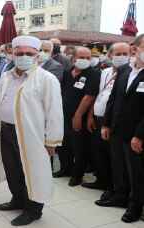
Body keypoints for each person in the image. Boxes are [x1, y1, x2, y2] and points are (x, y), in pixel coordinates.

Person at [0, 36, 63, 226]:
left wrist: (52, 140)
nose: (24, 56)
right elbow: (1, 102)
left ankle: (33, 210)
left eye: (29, 54)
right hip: (6, 130)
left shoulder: (46, 79)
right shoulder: (6, 76)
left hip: (32, 135)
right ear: (13, 54)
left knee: (32, 171)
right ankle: (17, 199)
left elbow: (54, 111)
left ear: (37, 55)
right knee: (12, 168)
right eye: (20, 53)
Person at [102, 34, 144, 223]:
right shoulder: (125, 71)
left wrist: (139, 135)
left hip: (136, 135)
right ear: (135, 48)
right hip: (117, 130)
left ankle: (135, 208)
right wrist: (106, 123)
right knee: (118, 166)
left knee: (137, 173)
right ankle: (120, 197)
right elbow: (113, 99)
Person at [86, 43, 131, 201]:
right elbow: (99, 94)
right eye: (117, 54)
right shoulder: (105, 72)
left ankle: (116, 189)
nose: (121, 57)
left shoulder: (130, 72)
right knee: (100, 154)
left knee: (115, 158)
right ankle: (104, 183)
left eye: (125, 53)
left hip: (114, 121)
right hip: (99, 117)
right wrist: (91, 115)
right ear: (110, 55)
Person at [57, 47, 101, 187]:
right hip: (63, 114)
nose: (85, 60)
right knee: (64, 144)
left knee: (79, 146)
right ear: (73, 58)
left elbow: (90, 96)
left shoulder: (93, 74)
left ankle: (77, 175)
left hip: (79, 116)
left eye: (88, 58)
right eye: (82, 57)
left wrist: (78, 115)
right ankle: (65, 169)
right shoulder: (67, 72)